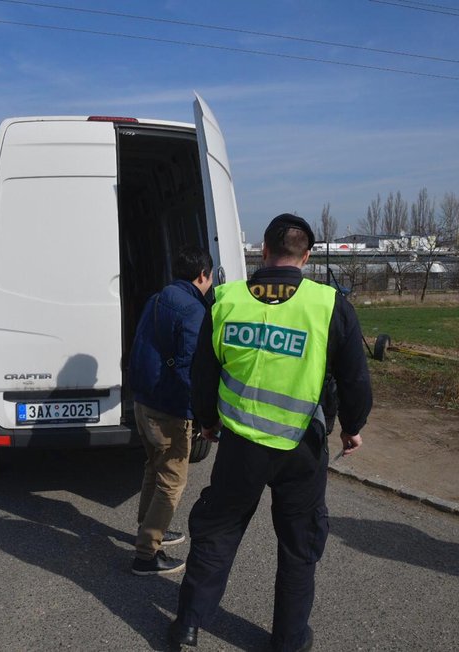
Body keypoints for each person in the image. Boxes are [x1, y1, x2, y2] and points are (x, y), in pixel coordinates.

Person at [169, 214, 373, 651]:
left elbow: (203, 373)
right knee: (299, 548)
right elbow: (355, 378)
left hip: (241, 444)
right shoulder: (329, 304)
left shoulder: (226, 299)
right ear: (308, 255)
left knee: (218, 532)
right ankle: (288, 640)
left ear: (263, 251)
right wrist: (352, 428)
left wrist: (207, 421)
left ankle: (187, 625)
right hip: (303, 446)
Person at [128, 246, 214, 576]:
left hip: (144, 400)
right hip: (170, 408)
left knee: (154, 466)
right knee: (172, 480)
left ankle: (149, 531)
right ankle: (146, 554)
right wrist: (203, 412)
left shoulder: (157, 298)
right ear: (203, 275)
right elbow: (190, 367)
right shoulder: (194, 310)